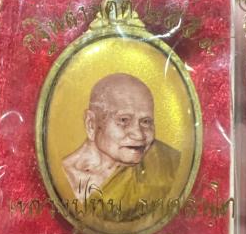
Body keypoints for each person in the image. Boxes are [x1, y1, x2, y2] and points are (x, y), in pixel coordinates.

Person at [62, 73, 180, 220]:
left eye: (146, 122)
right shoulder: (65, 176)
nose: (139, 135)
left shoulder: (168, 164)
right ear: (91, 124)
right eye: (124, 120)